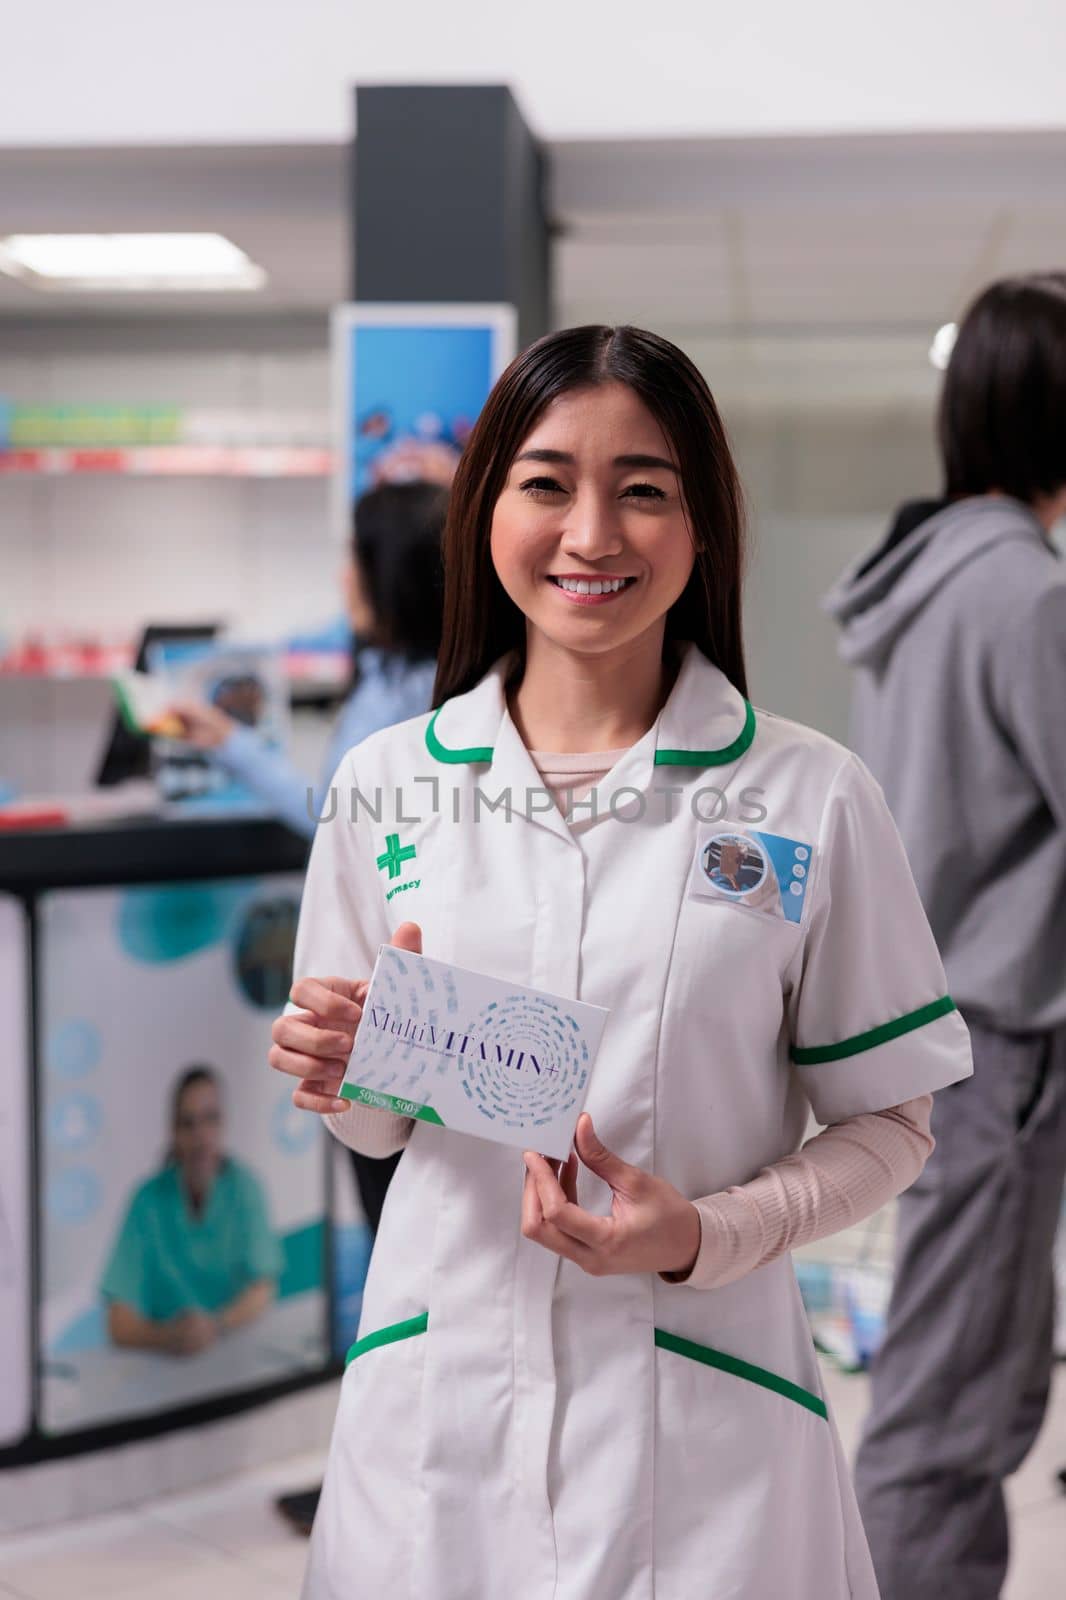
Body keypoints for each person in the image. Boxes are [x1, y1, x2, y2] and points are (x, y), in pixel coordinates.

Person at [269, 325, 973, 1599]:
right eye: (546, 483)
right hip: (438, 1431)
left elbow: (893, 1121)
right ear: (485, 512)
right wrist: (342, 1067)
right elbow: (376, 1135)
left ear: (700, 526)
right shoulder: (386, 788)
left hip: (706, 1443)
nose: (591, 533)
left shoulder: (808, 795)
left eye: (642, 489)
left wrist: (706, 1230)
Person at [824, 273, 1066, 1600]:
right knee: (953, 1405)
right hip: (1005, 1048)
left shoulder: (914, 580)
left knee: (952, 1371)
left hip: (937, 1032)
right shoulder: (1024, 594)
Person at [170, 479, 449, 1533]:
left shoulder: (396, 700)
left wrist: (225, 742)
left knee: (397, 1245)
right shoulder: (451, 681)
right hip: (415, 1003)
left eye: (352, 559)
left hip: (386, 1008)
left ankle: (381, 1481)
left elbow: (326, 811)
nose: (341, 581)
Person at [169, 480, 448, 841]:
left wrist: (233, 744)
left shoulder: (409, 697)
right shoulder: (392, 672)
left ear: (394, 576)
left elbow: (334, 822)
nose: (343, 577)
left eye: (355, 560)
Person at [101, 1065, 280, 1356]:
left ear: (223, 1123)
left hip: (234, 1359)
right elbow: (117, 1321)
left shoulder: (245, 1188)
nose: (200, 1136)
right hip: (161, 1368)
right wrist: (168, 1337)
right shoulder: (147, 1202)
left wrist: (215, 1326)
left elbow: (263, 1289)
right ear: (173, 1131)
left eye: (210, 1119)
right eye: (188, 1123)